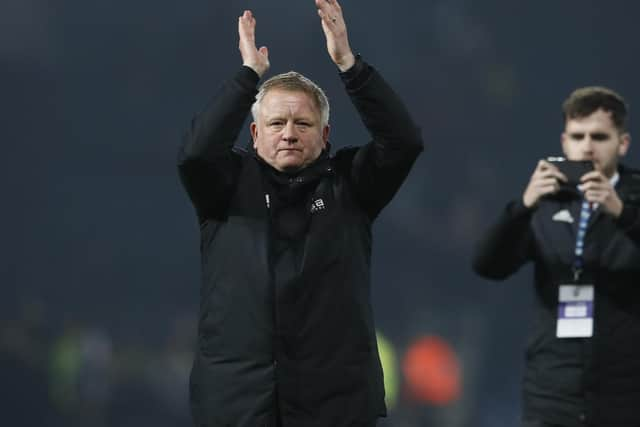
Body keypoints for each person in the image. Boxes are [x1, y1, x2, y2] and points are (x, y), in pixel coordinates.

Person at [177, 1, 423, 425]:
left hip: (333, 408)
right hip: (239, 407)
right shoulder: (226, 185)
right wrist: (248, 76)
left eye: (302, 124)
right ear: (254, 134)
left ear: (325, 134)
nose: (289, 133)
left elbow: (403, 142)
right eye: (276, 124)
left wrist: (349, 65)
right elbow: (196, 154)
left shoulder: (350, 184)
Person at [472, 86, 640, 427]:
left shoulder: (634, 198)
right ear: (564, 142)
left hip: (624, 389)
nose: (587, 146)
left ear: (622, 143)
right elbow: (488, 266)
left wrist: (620, 212)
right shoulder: (547, 200)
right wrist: (522, 207)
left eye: (599, 136)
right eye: (578, 136)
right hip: (551, 389)